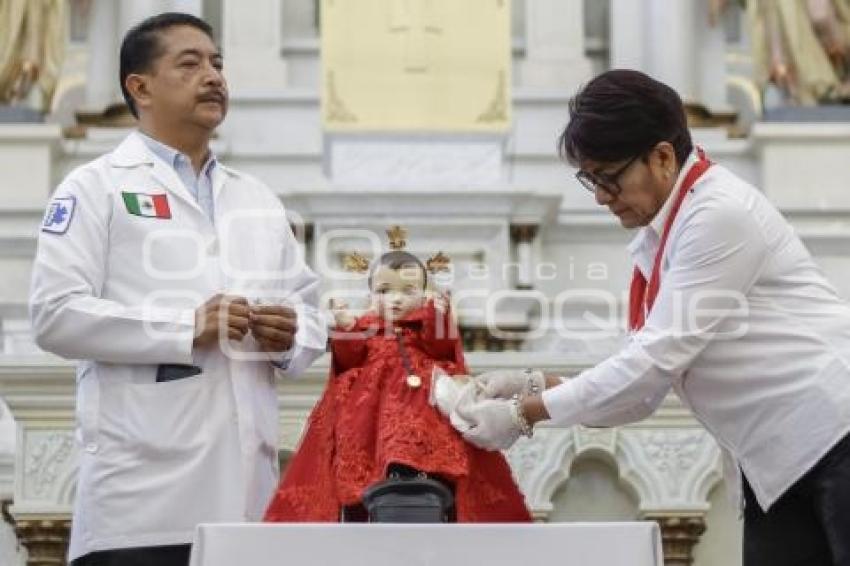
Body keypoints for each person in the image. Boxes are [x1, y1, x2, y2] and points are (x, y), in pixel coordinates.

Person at [452, 70, 850, 566]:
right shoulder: (662, 235)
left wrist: (523, 413)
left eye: (608, 177)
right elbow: (639, 393)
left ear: (662, 156)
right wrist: (530, 385)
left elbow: (650, 363)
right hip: (780, 461)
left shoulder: (718, 214)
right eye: (590, 179)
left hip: (834, 431)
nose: (599, 195)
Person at [28, 13, 326, 566]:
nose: (212, 76)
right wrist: (186, 326)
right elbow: (54, 313)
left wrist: (290, 335)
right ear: (138, 87)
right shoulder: (96, 187)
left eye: (217, 64)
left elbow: (309, 316)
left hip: (248, 506)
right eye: (189, 64)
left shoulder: (256, 198)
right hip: (140, 504)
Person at [263, 230, 531, 522]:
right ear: (371, 294)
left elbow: (442, 347)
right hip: (370, 406)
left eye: (408, 291)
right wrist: (344, 327)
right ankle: (381, 481)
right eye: (385, 291)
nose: (396, 299)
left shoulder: (424, 324)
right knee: (368, 442)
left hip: (421, 402)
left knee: (418, 439)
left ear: (423, 293)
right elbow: (349, 359)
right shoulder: (365, 324)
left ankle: (417, 475)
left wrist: (439, 316)